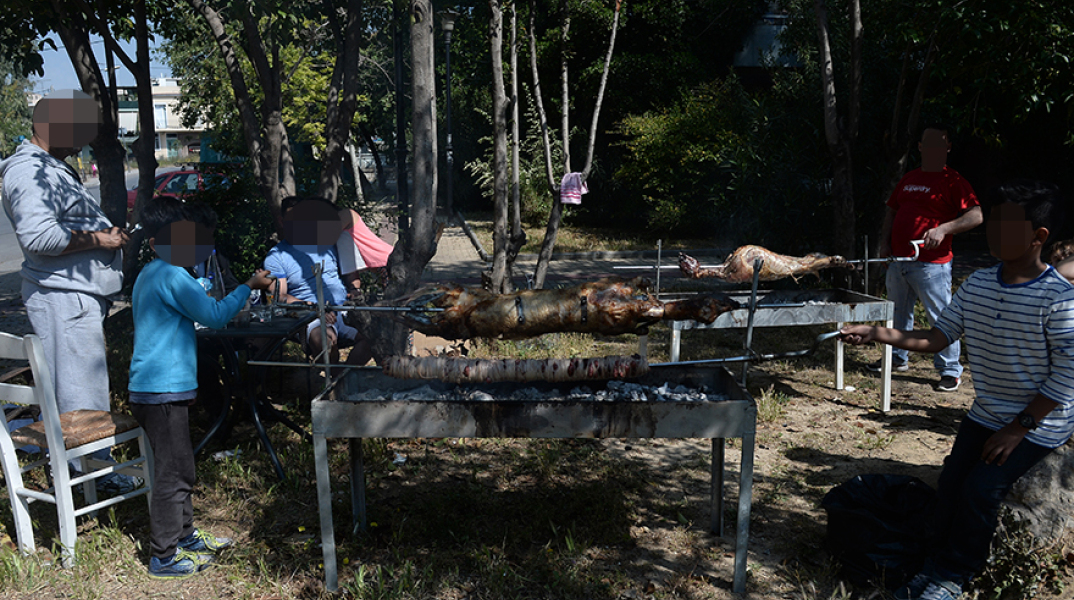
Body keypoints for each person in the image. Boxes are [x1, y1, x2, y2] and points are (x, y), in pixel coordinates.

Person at [840, 180, 1074, 600]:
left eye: (1006, 227)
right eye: (993, 224)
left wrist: (1019, 428)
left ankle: (954, 575)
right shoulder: (979, 284)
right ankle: (933, 564)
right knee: (950, 483)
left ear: (1038, 237)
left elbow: (1068, 374)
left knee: (982, 489)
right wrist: (876, 333)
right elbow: (937, 337)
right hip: (987, 412)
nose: (994, 234)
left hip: (1040, 422)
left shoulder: (1059, 299)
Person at [0, 90, 138, 494]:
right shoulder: (28, 172)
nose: (80, 145)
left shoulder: (46, 167)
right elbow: (39, 237)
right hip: (63, 298)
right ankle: (89, 477)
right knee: (80, 393)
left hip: (71, 296)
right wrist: (101, 239)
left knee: (82, 388)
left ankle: (88, 471)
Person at [129, 196, 274, 578]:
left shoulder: (150, 273)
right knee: (173, 473)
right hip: (161, 390)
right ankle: (163, 555)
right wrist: (249, 285)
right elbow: (215, 315)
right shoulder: (173, 275)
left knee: (180, 466)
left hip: (154, 389)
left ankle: (185, 536)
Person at [871, 124, 984, 392]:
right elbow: (891, 211)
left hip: (932, 264)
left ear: (948, 148)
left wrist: (944, 229)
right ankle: (897, 357)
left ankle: (950, 370)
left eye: (939, 144)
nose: (933, 149)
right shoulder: (909, 178)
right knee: (897, 312)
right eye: (928, 144)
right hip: (899, 260)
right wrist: (884, 243)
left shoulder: (954, 181)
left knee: (941, 317)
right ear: (920, 147)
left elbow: (976, 216)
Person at [264, 196, 372, 367]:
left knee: (375, 336)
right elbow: (280, 296)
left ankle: (343, 377)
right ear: (282, 221)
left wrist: (354, 290)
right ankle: (338, 378)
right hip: (310, 315)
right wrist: (313, 308)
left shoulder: (330, 242)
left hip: (343, 308)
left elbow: (352, 276)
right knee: (325, 342)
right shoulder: (276, 257)